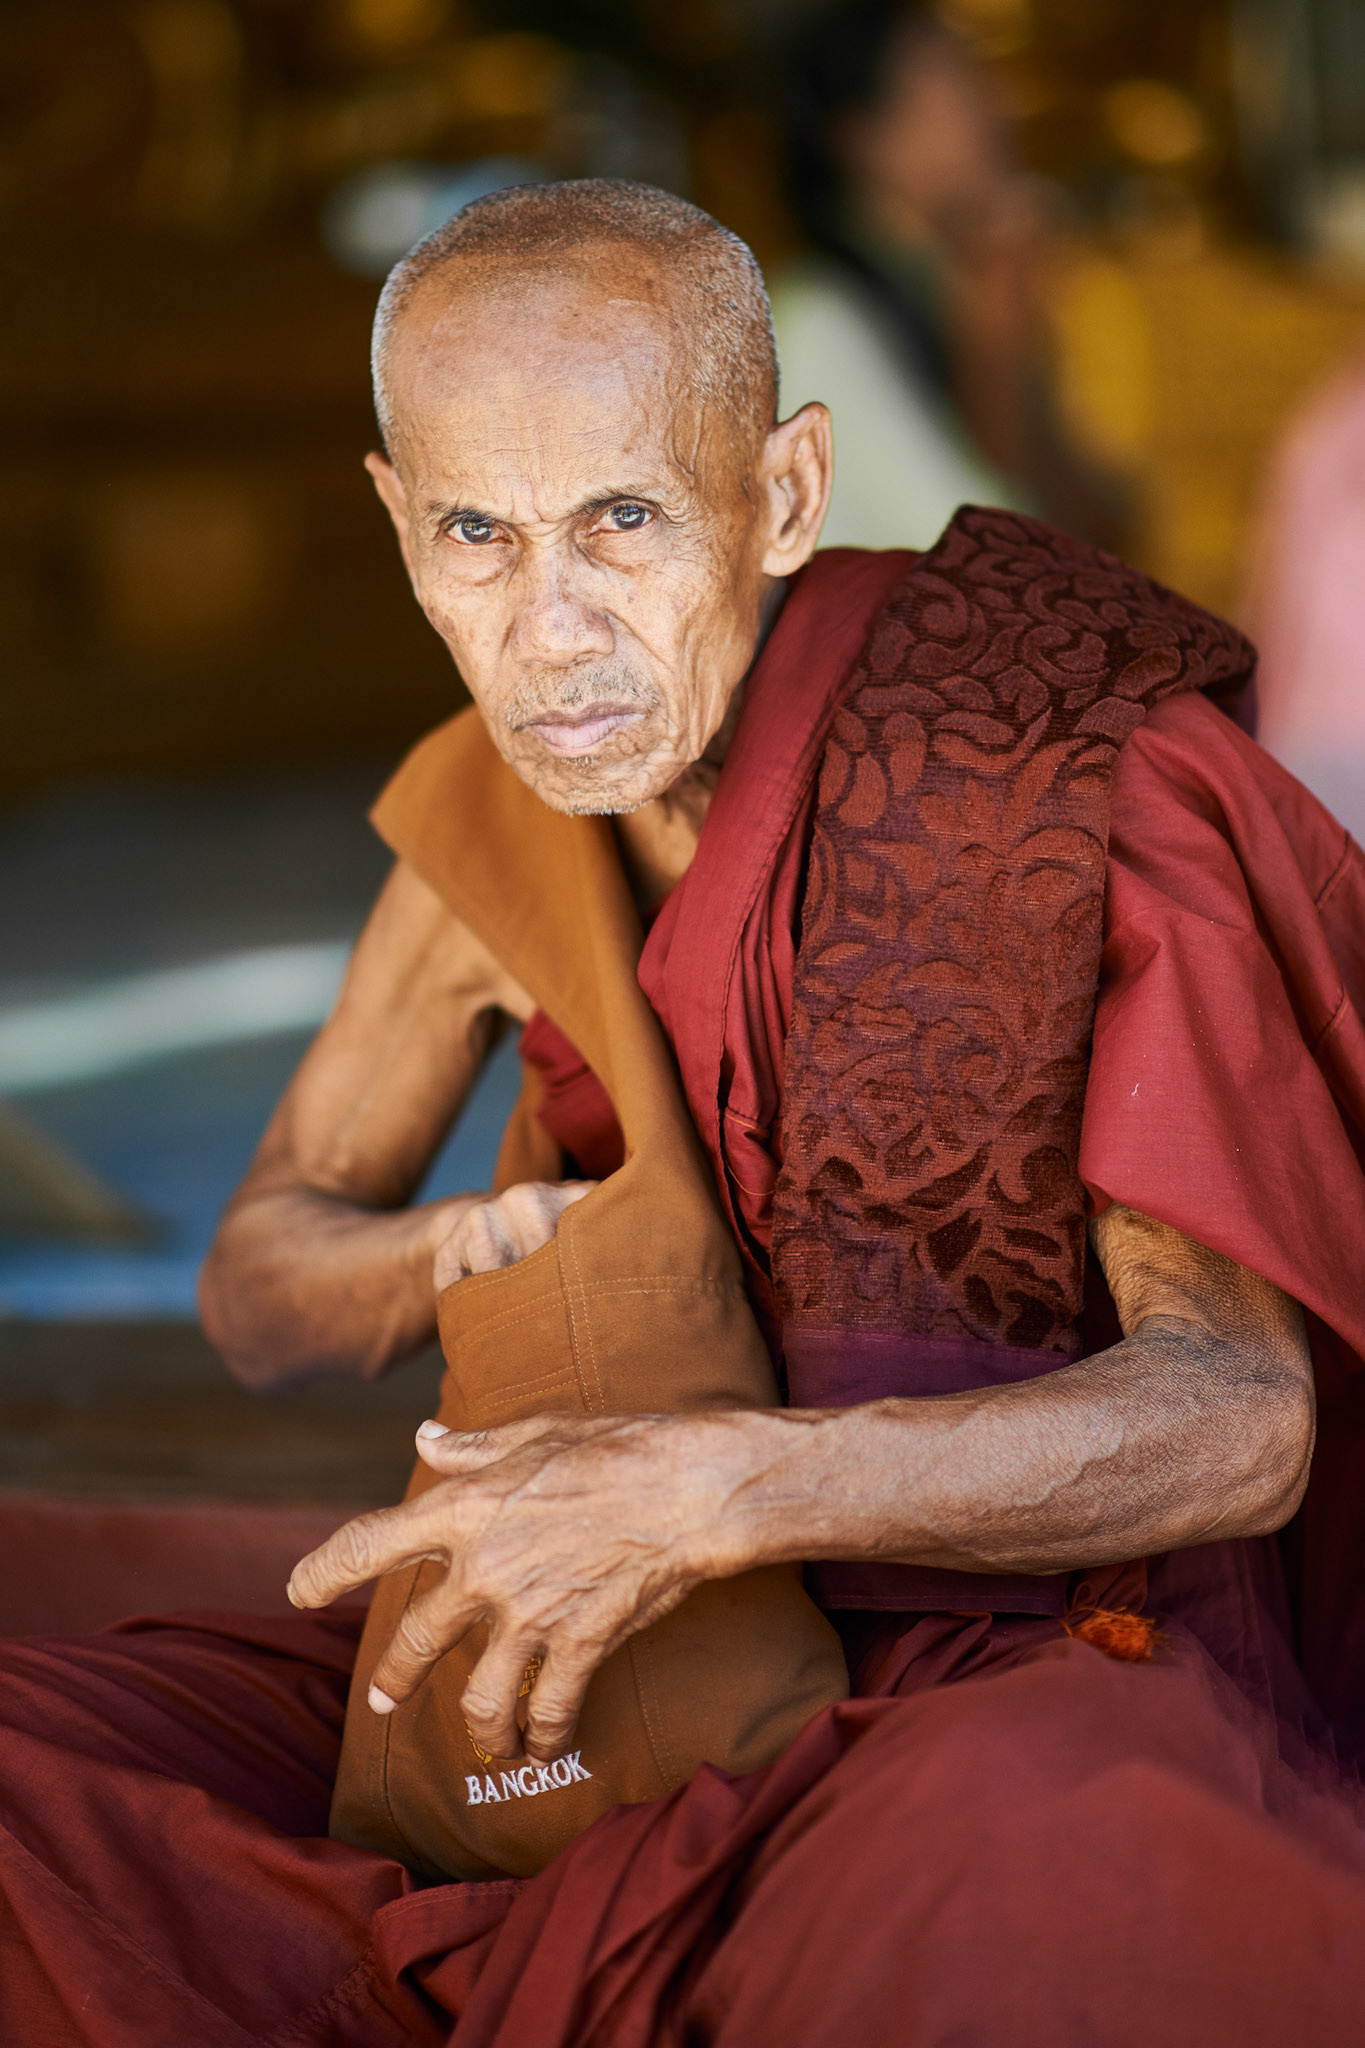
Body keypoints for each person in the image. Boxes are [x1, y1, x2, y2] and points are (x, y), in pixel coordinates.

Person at [3, 178, 1365, 2045]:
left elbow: (1238, 1418)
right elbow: (259, 1280)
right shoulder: (492, 810)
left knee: (1049, 1861)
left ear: (786, 495)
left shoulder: (1067, 774)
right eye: (473, 533)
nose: (547, 631)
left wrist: (719, 1488)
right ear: (397, 523)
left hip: (1022, 1654)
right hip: (611, 1653)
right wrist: (450, 1255)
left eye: (622, 519)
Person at [771, 0, 1128, 551]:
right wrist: (995, 347)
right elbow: (997, 557)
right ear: (864, 137)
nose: (996, 104)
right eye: (951, 76)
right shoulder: (817, 323)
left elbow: (1108, 529)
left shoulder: (951, 291)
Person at [1243, 349, 1365, 846]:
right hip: (1315, 750)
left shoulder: (1322, 425)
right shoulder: (1325, 428)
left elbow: (1266, 617)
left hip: (1307, 747)